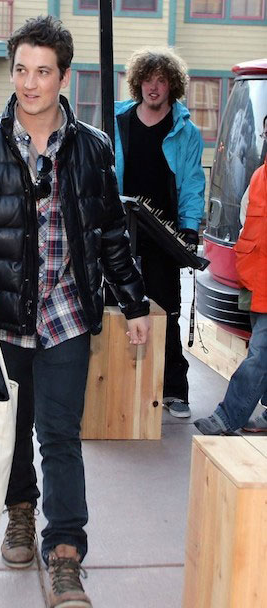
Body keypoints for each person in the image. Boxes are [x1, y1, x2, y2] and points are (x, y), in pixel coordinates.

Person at [0, 15, 150, 608]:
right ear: (13, 71)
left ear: (63, 77)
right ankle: (21, 513)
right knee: (11, 432)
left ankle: (66, 553)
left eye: (43, 72)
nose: (30, 83)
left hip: (66, 317)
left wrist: (132, 302)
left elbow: (110, 233)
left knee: (59, 435)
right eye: (21, 70)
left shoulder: (91, 148)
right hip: (2, 321)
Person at [114, 48, 205, 419]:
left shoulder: (185, 130)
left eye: (161, 80)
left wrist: (188, 228)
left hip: (163, 234)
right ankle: (115, 386)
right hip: (118, 232)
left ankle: (173, 391)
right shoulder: (116, 119)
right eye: (148, 79)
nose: (154, 87)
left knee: (165, 311)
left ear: (172, 85)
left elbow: (193, 184)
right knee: (113, 308)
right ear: (138, 83)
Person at [194, 116, 267, 436]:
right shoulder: (260, 177)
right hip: (254, 280)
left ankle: (229, 416)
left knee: (259, 356)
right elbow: (245, 221)